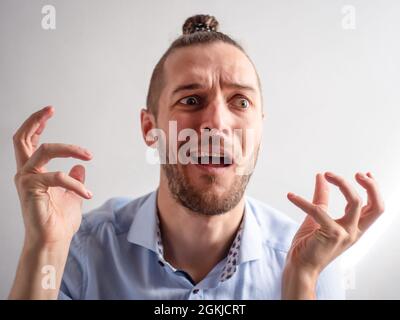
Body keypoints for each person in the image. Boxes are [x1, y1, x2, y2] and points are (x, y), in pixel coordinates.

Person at [9, 14, 384, 300]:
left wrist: (302, 281)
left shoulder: (315, 258)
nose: (216, 123)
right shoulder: (83, 247)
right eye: (191, 100)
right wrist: (46, 248)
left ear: (260, 129)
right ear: (149, 128)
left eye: (240, 101)